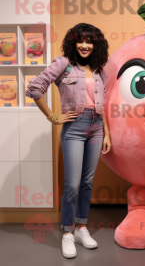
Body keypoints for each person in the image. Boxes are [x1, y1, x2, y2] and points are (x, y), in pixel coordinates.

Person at [26, 23, 111, 259]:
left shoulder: (100, 72)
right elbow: (35, 88)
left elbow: (104, 107)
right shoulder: (63, 64)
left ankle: (82, 228)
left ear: (97, 45)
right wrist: (53, 117)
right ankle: (67, 232)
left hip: (96, 129)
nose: (84, 45)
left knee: (87, 183)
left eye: (89, 41)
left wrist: (107, 134)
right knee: (72, 184)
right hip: (74, 127)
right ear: (73, 43)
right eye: (80, 41)